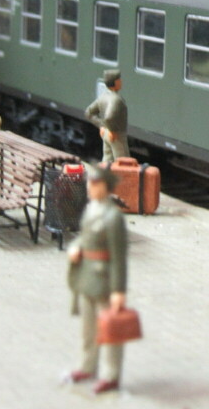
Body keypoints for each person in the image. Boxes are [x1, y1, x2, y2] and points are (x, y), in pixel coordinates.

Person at [67, 164, 129, 395]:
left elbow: (119, 257)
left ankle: (111, 374)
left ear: (105, 187)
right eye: (89, 184)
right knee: (88, 327)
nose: (89, 188)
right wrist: (75, 248)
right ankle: (87, 366)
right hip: (87, 277)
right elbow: (84, 238)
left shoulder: (113, 217)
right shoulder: (91, 209)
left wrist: (118, 290)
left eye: (94, 184)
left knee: (109, 329)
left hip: (104, 279)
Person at [84, 70, 128, 164]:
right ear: (116, 82)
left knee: (107, 160)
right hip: (116, 135)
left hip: (105, 133)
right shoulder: (116, 99)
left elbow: (89, 113)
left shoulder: (103, 96)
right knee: (123, 163)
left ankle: (104, 174)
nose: (121, 82)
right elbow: (109, 118)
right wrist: (112, 130)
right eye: (119, 80)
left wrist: (102, 126)